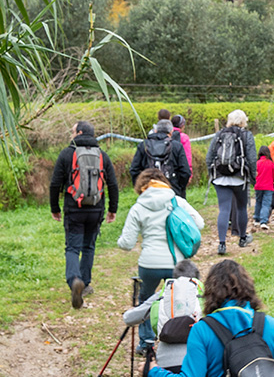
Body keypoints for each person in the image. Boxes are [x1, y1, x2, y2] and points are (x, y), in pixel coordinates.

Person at [117, 168, 204, 353]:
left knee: (146, 300)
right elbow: (200, 223)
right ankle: (176, 337)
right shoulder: (176, 201)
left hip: (149, 264)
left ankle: (146, 342)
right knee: (177, 299)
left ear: (142, 186)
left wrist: (118, 241)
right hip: (176, 263)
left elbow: (127, 243)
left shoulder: (138, 207)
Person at [49, 121, 119, 310]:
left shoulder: (67, 153)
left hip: (74, 208)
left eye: (72, 131)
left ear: (79, 132)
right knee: (89, 246)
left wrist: (54, 207)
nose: (71, 134)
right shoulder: (102, 155)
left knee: (72, 248)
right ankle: (85, 283)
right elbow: (112, 184)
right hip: (96, 209)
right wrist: (113, 209)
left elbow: (55, 183)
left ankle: (74, 281)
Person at [206, 109, 257, 255]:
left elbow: (209, 156)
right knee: (241, 208)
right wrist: (253, 176)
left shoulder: (219, 134)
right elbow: (252, 158)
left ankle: (222, 244)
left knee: (224, 209)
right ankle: (242, 238)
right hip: (239, 177)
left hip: (220, 177)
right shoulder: (246, 135)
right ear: (243, 121)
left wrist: (212, 173)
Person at [129, 118, 191, 198]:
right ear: (171, 131)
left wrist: (140, 188)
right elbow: (185, 171)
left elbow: (134, 169)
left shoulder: (143, 145)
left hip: (148, 190)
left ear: (155, 130)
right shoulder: (176, 146)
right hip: (172, 190)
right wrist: (179, 187)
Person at [253, 145, 274, 231]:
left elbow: (253, 175)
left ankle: (256, 219)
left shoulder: (257, 163)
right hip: (268, 187)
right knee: (266, 204)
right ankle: (263, 221)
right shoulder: (271, 163)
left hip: (258, 186)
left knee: (258, 202)